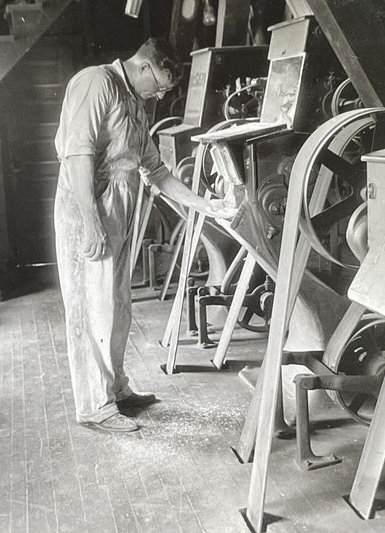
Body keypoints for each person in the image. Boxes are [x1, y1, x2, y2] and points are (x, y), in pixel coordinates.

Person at [54, 37, 234, 433]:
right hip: (90, 204)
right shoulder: (96, 83)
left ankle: (116, 389)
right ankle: (94, 405)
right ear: (145, 67)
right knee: (90, 307)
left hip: (118, 206)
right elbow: (77, 155)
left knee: (117, 305)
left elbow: (158, 171)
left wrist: (206, 206)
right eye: (163, 85)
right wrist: (90, 221)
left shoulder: (134, 101)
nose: (162, 93)